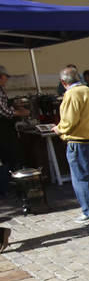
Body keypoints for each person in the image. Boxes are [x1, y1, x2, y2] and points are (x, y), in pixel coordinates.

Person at [53, 66, 89, 223]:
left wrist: (59, 129)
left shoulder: (72, 94)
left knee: (81, 178)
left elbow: (69, 121)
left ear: (63, 82)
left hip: (79, 141)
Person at [0, 65, 29, 196]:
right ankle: (13, 186)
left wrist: (14, 105)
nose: (6, 80)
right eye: (5, 77)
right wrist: (21, 112)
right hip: (3, 130)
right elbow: (5, 112)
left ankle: (11, 184)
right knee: (10, 156)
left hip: (5, 128)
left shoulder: (2, 90)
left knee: (9, 157)